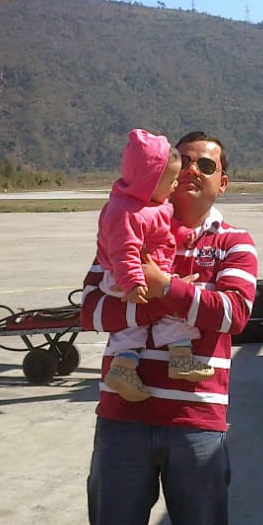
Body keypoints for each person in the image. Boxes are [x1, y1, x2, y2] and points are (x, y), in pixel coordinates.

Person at [83, 132, 258, 525]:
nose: (194, 169)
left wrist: (161, 287)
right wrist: (174, 300)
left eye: (208, 165)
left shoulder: (234, 243)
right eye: (186, 160)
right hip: (123, 419)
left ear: (224, 182)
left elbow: (233, 315)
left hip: (195, 423)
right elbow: (90, 310)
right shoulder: (127, 226)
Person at [95, 128, 214, 403]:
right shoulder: (125, 212)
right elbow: (123, 250)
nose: (176, 184)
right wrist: (133, 281)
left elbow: (166, 231)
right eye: (172, 179)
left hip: (148, 274)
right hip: (124, 277)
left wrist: (184, 236)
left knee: (152, 314)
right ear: (150, 180)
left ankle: (141, 363)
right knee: (150, 316)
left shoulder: (155, 205)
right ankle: (159, 361)